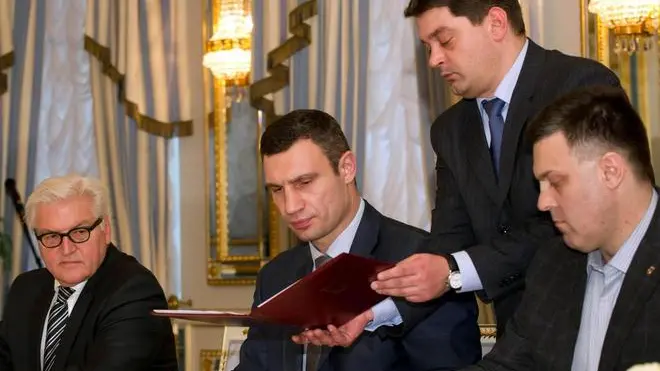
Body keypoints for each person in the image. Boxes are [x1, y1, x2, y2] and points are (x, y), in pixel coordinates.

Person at [367, 0, 622, 338]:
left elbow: (572, 221)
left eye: (445, 40)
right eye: (427, 47)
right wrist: (376, 313)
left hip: (595, 327)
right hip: (516, 341)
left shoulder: (579, 85)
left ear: (496, 23)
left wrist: (454, 271)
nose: (434, 59)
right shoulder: (450, 129)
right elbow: (449, 240)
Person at [236, 109, 482, 371]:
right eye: (277, 189)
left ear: (347, 168)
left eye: (304, 182)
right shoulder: (275, 276)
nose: (290, 206)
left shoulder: (424, 262)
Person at [464, 86, 660, 370]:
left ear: (611, 171)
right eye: (540, 186)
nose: (543, 202)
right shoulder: (553, 263)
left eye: (555, 182)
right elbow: (508, 365)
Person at [0, 174, 178, 371]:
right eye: (51, 236)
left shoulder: (134, 291)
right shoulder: (25, 289)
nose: (66, 249)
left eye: (79, 232)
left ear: (106, 231)